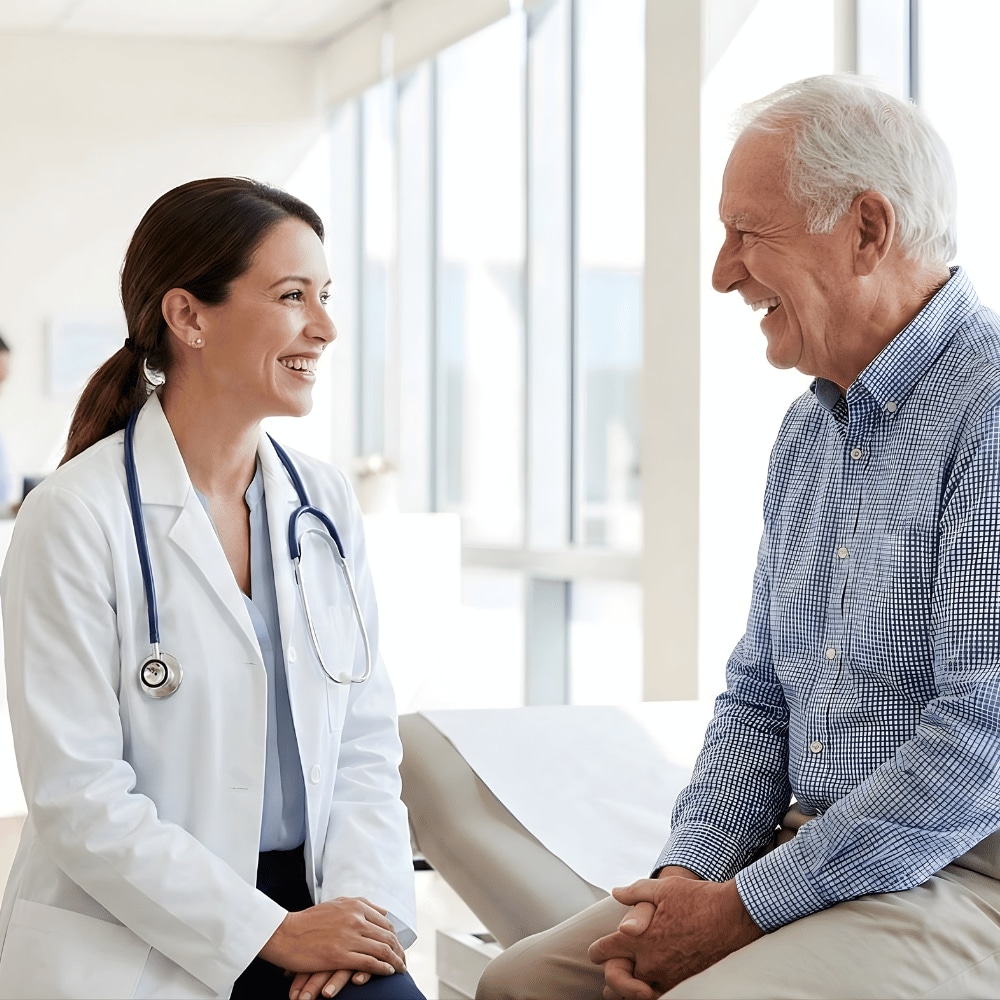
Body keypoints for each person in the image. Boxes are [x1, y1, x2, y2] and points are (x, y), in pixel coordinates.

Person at [477, 73, 1000, 1000]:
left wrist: (743, 912)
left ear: (868, 231)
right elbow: (759, 695)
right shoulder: (808, 434)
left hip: (962, 871)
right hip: (806, 849)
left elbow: (980, 741)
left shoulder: (988, 412)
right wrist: (686, 884)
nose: (722, 271)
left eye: (747, 233)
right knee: (524, 986)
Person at [0, 177, 426, 1000]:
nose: (326, 327)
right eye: (293, 295)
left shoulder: (323, 504)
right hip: (141, 928)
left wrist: (357, 913)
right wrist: (270, 931)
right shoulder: (74, 517)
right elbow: (79, 798)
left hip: (319, 899)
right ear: (188, 317)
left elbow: (363, 746)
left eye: (325, 296)